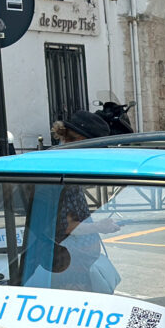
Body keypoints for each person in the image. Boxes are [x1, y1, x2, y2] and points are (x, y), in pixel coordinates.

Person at [48, 111, 119, 291]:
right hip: (69, 264)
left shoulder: (65, 167)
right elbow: (67, 227)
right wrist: (100, 226)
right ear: (79, 141)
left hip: (76, 260)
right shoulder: (56, 172)